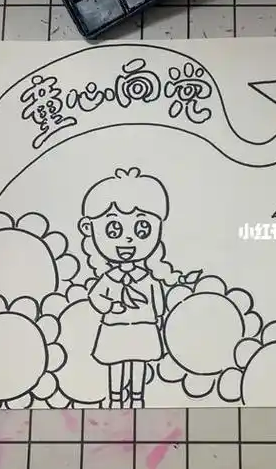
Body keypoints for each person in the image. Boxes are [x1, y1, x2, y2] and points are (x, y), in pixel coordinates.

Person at [78, 167, 180, 409]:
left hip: (143, 326)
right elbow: (96, 297)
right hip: (115, 326)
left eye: (142, 229)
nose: (128, 239)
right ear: (88, 228)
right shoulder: (109, 278)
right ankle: (115, 398)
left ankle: (137, 396)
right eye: (113, 229)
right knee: (115, 362)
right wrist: (109, 304)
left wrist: (156, 317)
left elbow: (159, 304)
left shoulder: (147, 279)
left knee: (139, 362)